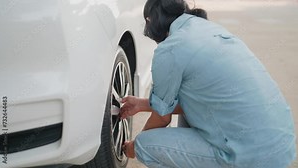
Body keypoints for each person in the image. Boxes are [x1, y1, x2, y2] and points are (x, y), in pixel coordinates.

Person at [120, 0, 296, 167]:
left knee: (145, 145)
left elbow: (162, 118)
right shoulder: (208, 29)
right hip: (280, 148)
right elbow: (204, 101)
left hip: (248, 157)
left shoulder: (170, 49)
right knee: (188, 97)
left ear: (152, 21)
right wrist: (143, 104)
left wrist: (133, 147)